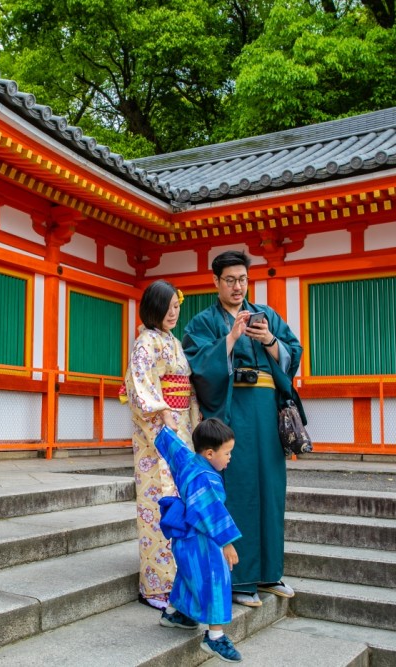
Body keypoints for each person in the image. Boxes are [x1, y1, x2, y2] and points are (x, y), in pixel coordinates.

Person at [182, 250, 304, 608]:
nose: (238, 287)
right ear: (216, 282)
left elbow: (293, 354)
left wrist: (268, 340)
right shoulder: (203, 322)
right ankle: (239, 578)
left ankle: (269, 573)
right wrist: (231, 339)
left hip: (265, 410)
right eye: (230, 280)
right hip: (231, 411)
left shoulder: (266, 316)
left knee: (271, 486)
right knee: (238, 487)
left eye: (243, 280)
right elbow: (198, 365)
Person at [123, 279, 200, 609]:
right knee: (157, 505)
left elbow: (185, 384)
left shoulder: (171, 341)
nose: (174, 312)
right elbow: (139, 387)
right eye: (168, 307)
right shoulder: (145, 342)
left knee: (178, 501)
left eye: (177, 307)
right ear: (153, 307)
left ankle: (176, 577)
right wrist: (161, 410)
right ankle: (154, 585)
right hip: (157, 435)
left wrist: (189, 420)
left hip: (179, 428)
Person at [155, 419, 243, 663]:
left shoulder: (189, 462)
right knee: (216, 580)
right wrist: (227, 542)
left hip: (183, 537)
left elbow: (175, 449)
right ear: (210, 452)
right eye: (227, 453)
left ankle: (174, 615)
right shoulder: (207, 478)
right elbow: (211, 511)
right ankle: (215, 637)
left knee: (188, 574)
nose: (229, 458)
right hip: (200, 538)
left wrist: (166, 428)